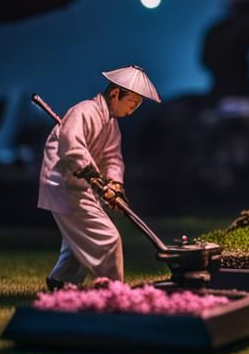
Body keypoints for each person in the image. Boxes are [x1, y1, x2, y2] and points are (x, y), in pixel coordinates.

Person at [38, 65, 161, 289]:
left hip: (81, 186)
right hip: (65, 184)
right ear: (115, 94)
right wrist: (90, 172)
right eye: (131, 104)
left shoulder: (111, 124)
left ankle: (60, 280)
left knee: (80, 240)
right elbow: (71, 145)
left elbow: (112, 158)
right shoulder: (84, 110)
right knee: (107, 238)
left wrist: (114, 183)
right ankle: (113, 289)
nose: (132, 110)